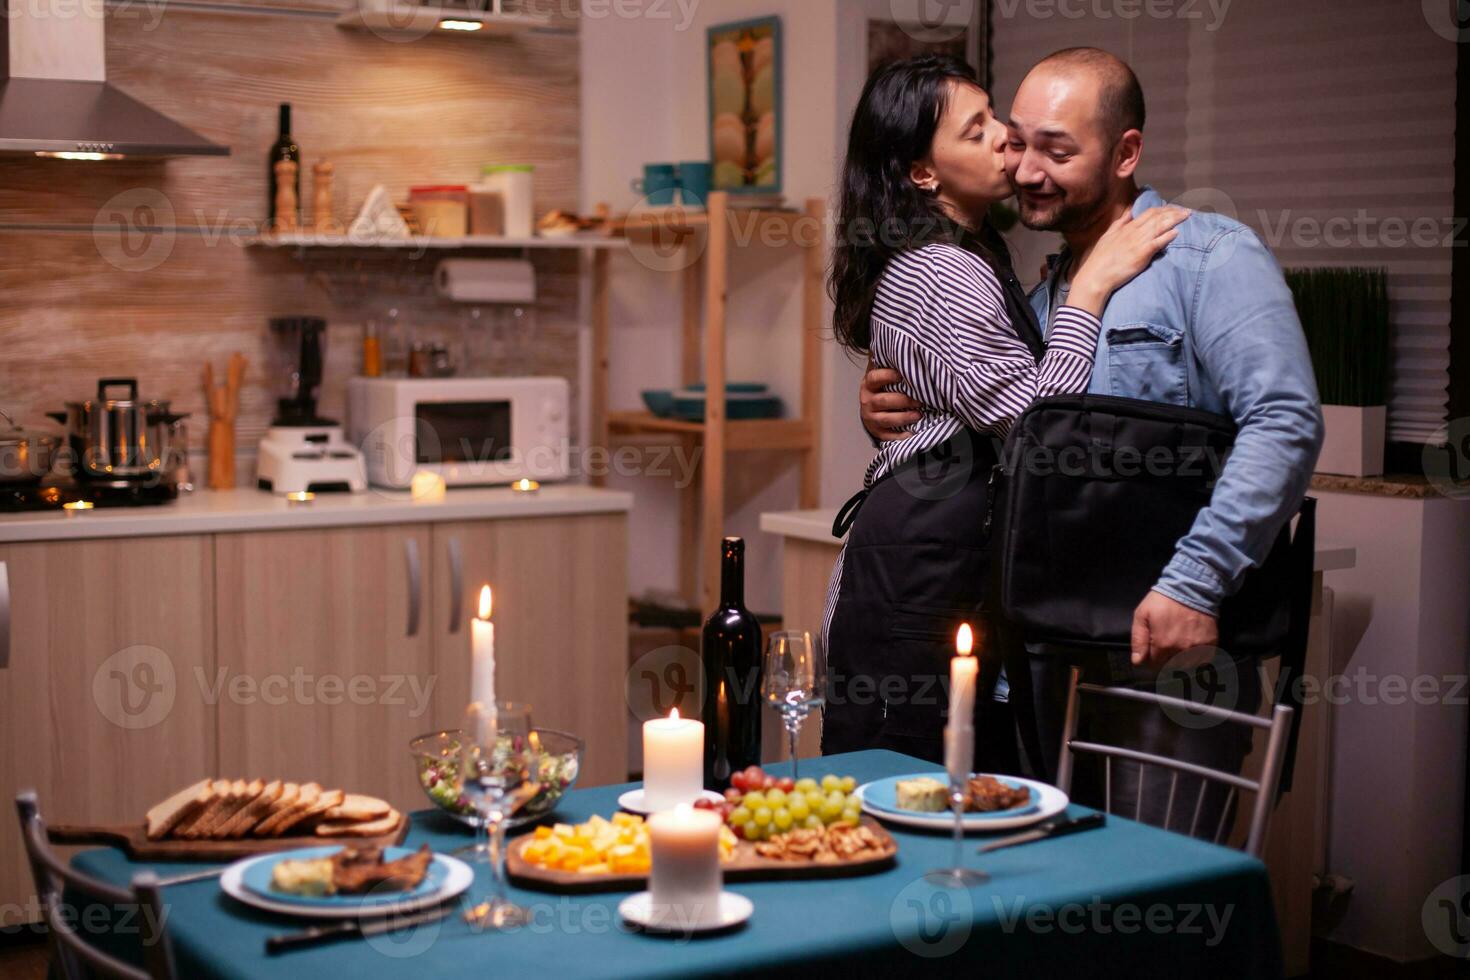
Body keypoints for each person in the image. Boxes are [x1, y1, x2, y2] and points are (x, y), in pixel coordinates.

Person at [858, 47, 1324, 833]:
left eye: (1058, 151)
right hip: (1047, 651)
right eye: (1019, 142)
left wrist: (1194, 583)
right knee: (1056, 891)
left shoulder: (1208, 256)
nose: (1026, 170)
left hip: (1166, 650)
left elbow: (1284, 421)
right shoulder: (1039, 295)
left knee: (1158, 899)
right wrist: (889, 399)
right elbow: (1016, 420)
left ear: (1126, 153)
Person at [822, 54, 1187, 767]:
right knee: (906, 792)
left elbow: (956, 395)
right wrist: (1090, 293)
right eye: (976, 130)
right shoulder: (942, 267)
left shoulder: (968, 253)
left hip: (930, 557)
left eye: (995, 118)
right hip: (918, 571)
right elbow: (1031, 422)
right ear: (922, 174)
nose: (1004, 140)